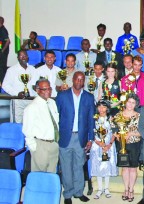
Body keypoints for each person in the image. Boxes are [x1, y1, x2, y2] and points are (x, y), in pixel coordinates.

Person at [56, 71, 95, 204]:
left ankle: (79, 192)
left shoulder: (89, 97)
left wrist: (90, 138)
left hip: (81, 137)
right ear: (72, 79)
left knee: (79, 165)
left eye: (81, 79)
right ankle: (67, 194)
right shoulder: (62, 96)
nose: (79, 82)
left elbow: (91, 119)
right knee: (66, 167)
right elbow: (57, 117)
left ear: (84, 81)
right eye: (77, 79)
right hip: (65, 137)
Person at [22, 78, 59, 173]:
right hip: (40, 146)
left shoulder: (52, 103)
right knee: (39, 177)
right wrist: (34, 148)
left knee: (52, 175)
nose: (48, 91)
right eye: (44, 89)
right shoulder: (31, 108)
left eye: (49, 88)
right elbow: (27, 130)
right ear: (38, 90)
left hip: (54, 144)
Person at [112, 93, 141, 202]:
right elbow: (113, 128)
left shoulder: (138, 116)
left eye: (133, 103)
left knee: (133, 168)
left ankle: (131, 189)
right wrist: (118, 136)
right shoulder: (118, 115)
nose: (130, 104)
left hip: (134, 144)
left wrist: (130, 134)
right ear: (125, 102)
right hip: (122, 144)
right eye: (129, 102)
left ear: (136, 104)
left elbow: (142, 131)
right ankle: (125, 189)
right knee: (124, 168)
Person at [90, 100, 118, 199]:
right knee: (98, 166)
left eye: (104, 107)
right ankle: (100, 189)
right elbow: (91, 132)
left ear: (107, 108)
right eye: (99, 107)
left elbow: (115, 133)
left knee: (106, 166)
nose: (101, 109)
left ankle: (106, 188)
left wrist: (109, 144)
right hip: (97, 145)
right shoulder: (94, 118)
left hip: (108, 146)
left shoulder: (111, 119)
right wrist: (99, 143)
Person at [0, 16, 10, 83]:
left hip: (2, 52)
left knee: (2, 68)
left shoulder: (3, 30)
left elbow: (8, 41)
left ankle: (3, 83)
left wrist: (2, 50)